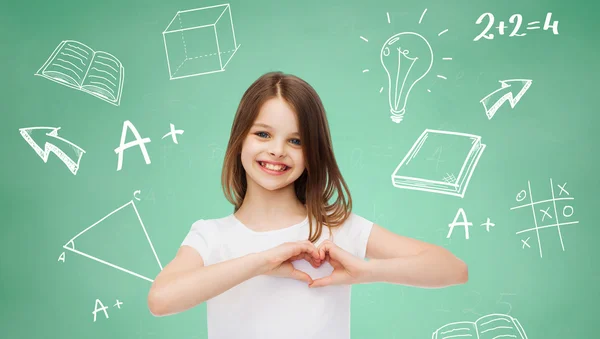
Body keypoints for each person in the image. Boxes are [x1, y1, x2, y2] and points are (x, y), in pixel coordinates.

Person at [147, 71, 468, 338]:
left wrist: (366, 271)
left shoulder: (337, 228)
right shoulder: (210, 236)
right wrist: (260, 262)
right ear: (240, 140)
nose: (277, 150)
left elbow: (454, 269)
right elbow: (160, 300)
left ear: (313, 151)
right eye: (262, 134)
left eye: (295, 141)